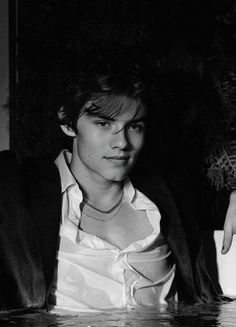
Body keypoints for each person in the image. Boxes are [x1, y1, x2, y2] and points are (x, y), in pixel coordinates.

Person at [0, 53, 231, 314]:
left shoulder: (167, 196)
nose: (121, 142)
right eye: (103, 123)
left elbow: (216, 205)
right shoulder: (17, 195)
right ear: (68, 121)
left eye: (134, 126)